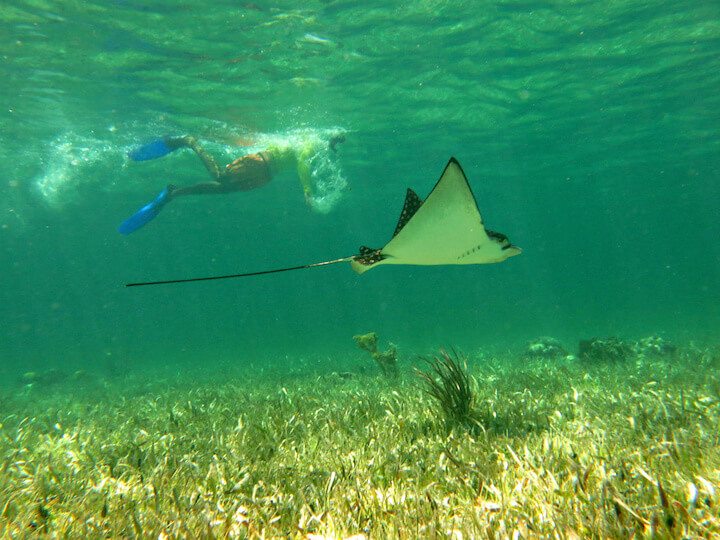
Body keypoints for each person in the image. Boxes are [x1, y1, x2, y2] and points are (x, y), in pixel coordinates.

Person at [118, 132, 346, 235]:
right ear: (330, 137)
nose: (334, 147)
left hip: (264, 175)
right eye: (335, 142)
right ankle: (190, 142)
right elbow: (302, 165)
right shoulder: (309, 141)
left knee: (222, 189)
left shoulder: (318, 146)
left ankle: (175, 193)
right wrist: (307, 191)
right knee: (220, 178)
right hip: (259, 165)